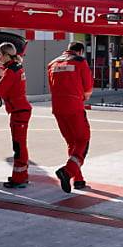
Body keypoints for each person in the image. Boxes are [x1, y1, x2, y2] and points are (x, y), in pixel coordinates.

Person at [47, 41, 93, 193]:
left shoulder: (52, 64)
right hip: (74, 106)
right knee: (82, 140)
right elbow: (88, 87)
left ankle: (77, 179)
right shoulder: (80, 62)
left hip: (58, 108)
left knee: (71, 142)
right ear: (80, 51)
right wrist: (84, 96)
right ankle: (67, 171)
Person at [0, 42, 31, 188]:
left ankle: (19, 179)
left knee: (19, 147)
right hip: (20, 110)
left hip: (19, 112)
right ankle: (21, 176)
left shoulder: (11, 71)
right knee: (20, 145)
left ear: (6, 55)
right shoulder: (16, 68)